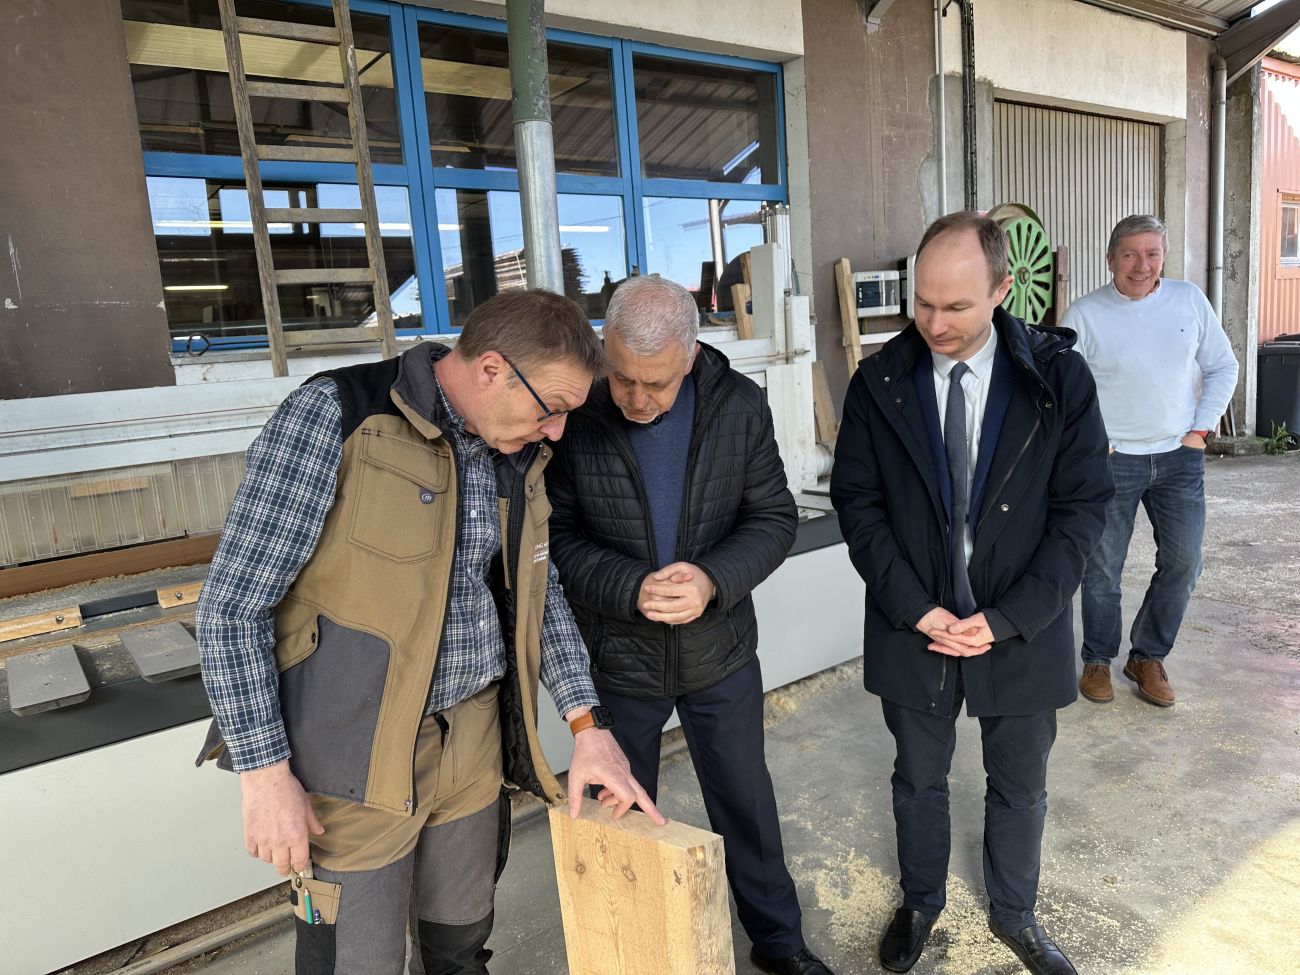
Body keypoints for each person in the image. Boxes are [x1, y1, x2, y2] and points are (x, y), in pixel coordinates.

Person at [194, 289, 662, 975]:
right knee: (355, 960)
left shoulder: (515, 451)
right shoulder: (337, 416)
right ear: (492, 369)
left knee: (459, 943)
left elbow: (541, 592)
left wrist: (587, 724)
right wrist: (264, 776)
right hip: (354, 754)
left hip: (472, 740)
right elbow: (232, 608)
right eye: (552, 408)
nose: (559, 432)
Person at [830, 212, 1113, 975]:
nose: (934, 323)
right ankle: (920, 900)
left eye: (956, 306)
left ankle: (1015, 913)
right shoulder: (880, 382)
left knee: (1019, 783)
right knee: (918, 778)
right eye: (923, 302)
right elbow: (859, 505)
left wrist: (1012, 616)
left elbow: (1083, 508)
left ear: (1002, 289)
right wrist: (913, 607)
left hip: (1022, 626)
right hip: (913, 623)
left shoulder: (1057, 380)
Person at [547, 274, 836, 975]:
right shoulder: (576, 411)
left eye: (657, 384)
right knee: (620, 817)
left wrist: (712, 579)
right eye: (623, 378)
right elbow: (553, 539)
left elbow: (773, 518)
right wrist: (628, 586)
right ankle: (634, 956)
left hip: (720, 650)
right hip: (619, 656)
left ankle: (780, 943)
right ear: (604, 347)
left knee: (746, 803)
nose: (636, 399)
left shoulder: (738, 405)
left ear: (692, 355)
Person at [1061, 214, 1239, 708]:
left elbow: (1222, 365)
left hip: (1178, 459)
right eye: (1130, 255)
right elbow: (1062, 389)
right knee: (1102, 570)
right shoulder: (1084, 314)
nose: (1142, 265)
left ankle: (1147, 657)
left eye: (1152, 254)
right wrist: (1091, 441)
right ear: (1110, 259)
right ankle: (1098, 659)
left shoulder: (1189, 300)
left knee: (1184, 563)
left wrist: (1200, 430)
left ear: (1163, 257)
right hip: (1112, 461)